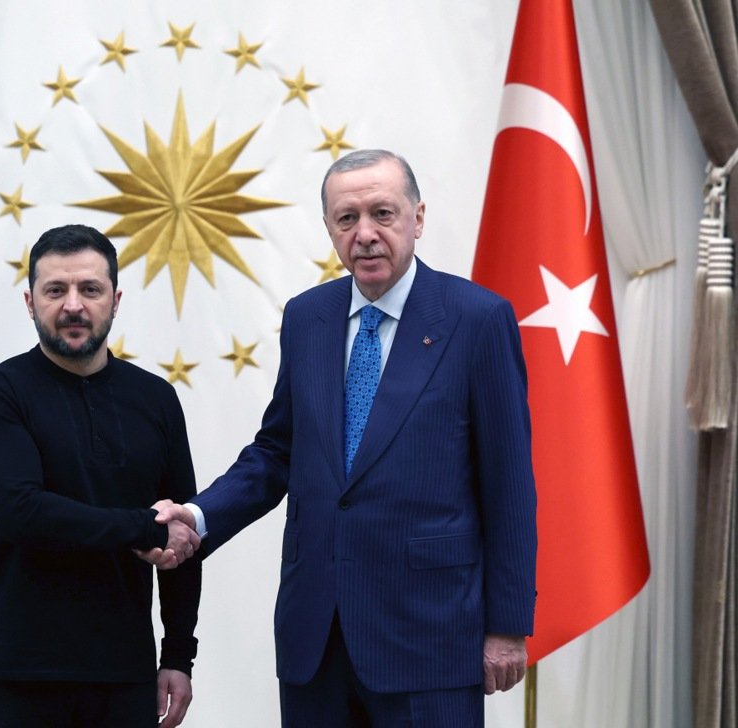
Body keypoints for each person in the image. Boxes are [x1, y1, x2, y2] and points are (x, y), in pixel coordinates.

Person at [151, 149, 537, 727]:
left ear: (418, 218)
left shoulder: (476, 319)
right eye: (346, 219)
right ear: (329, 227)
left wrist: (506, 626)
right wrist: (200, 517)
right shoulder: (309, 318)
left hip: (429, 641)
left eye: (383, 213)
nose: (366, 234)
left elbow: (508, 483)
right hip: (317, 639)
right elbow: (278, 451)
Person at [0, 224, 202, 727]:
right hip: (15, 678)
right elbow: (21, 513)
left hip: (125, 679)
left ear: (115, 300)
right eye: (55, 290)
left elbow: (182, 532)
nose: (73, 305)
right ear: (30, 302)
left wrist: (178, 655)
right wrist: (144, 527)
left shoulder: (155, 399)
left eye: (90, 290)